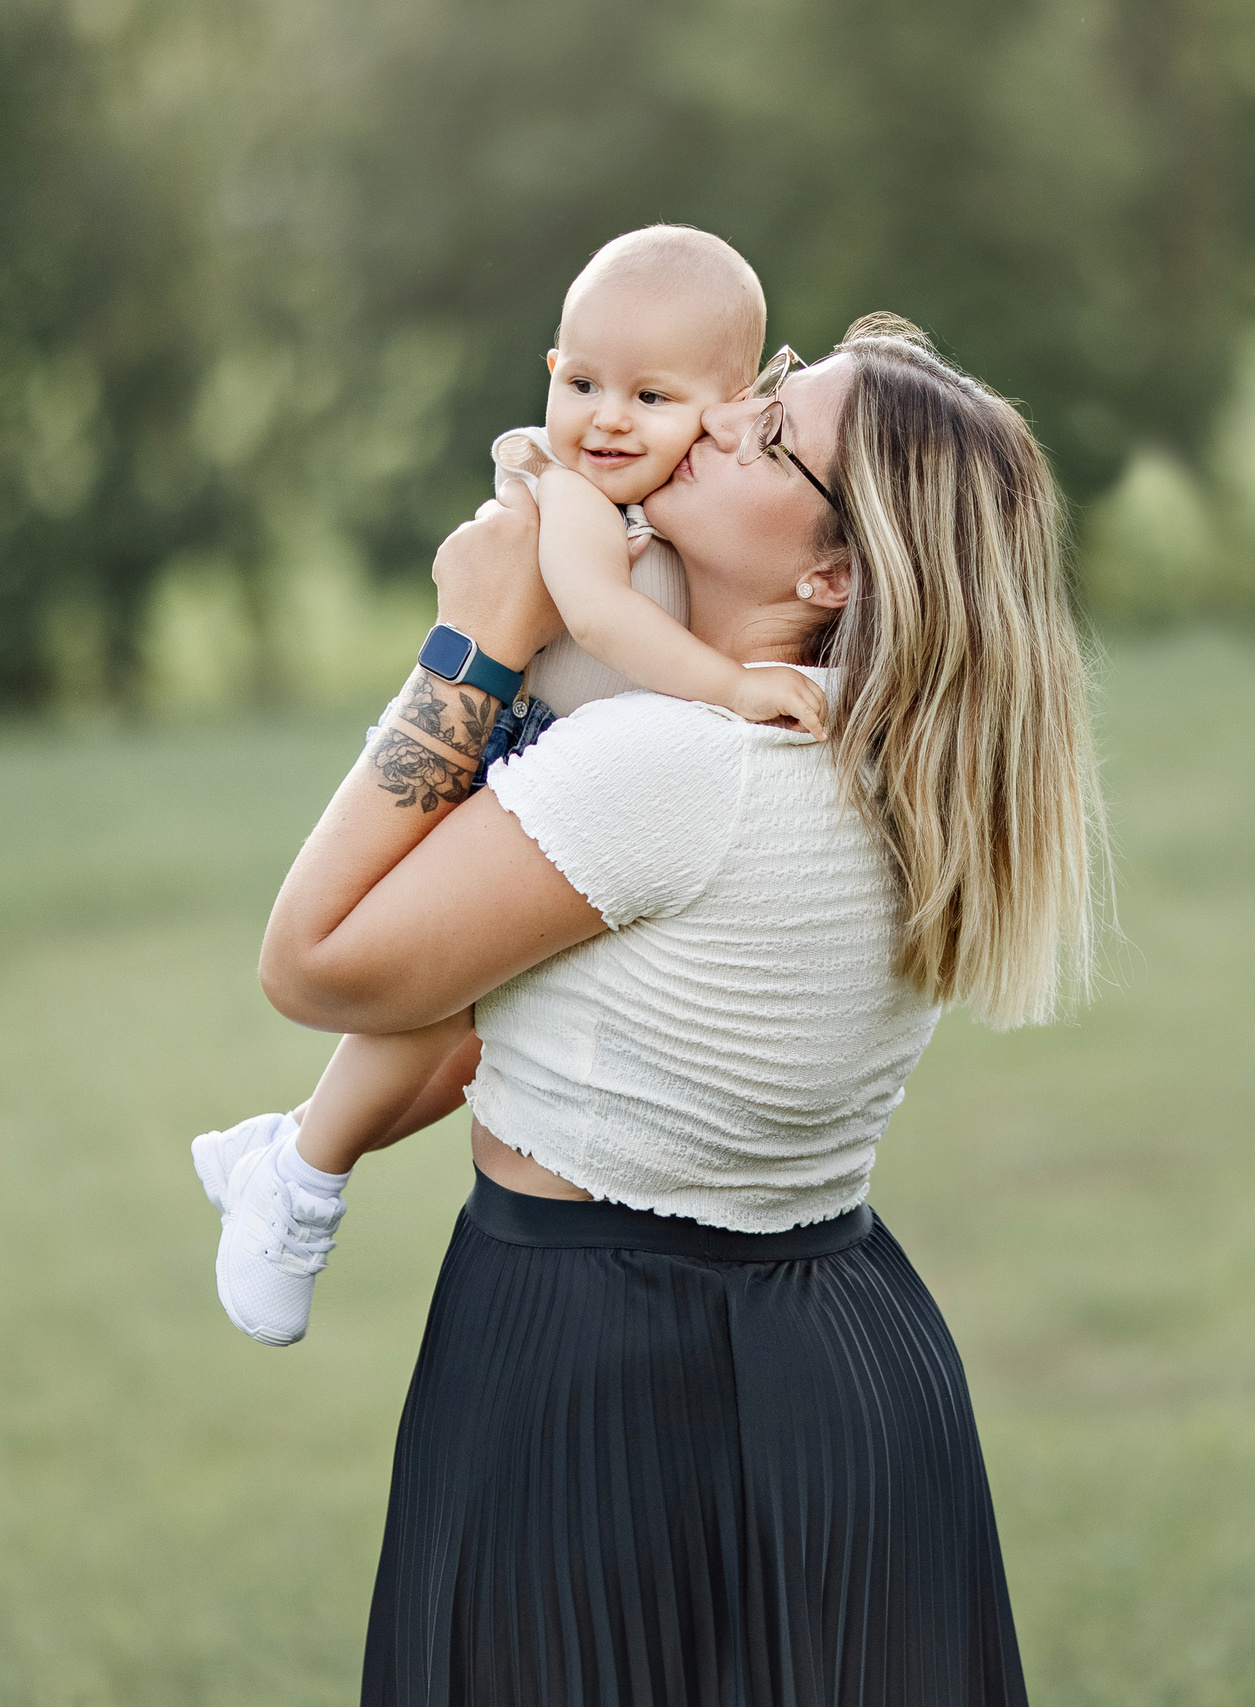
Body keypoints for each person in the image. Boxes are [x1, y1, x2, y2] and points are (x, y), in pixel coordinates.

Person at [257, 312, 1110, 1704]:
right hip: (852, 1352)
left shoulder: (679, 766)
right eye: (763, 392)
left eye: (771, 434)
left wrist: (471, 641)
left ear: (831, 570)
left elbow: (314, 962)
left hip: (594, 1373)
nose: (712, 418)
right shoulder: (877, 747)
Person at [194, 226, 824, 1347]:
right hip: (518, 751)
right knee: (424, 1015)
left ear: (726, 409)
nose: (608, 416)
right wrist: (730, 686)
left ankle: (286, 1151)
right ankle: (302, 1170)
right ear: (550, 375)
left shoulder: (684, 494)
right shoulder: (568, 493)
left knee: (469, 1043)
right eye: (582, 382)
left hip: (585, 781)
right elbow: (594, 613)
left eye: (650, 393)